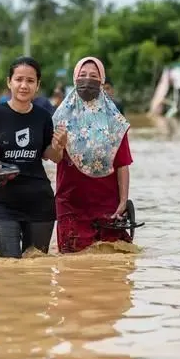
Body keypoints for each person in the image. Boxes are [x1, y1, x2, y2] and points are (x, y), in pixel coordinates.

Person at [0, 56, 67, 259]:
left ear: (37, 85)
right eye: (19, 79)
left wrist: (59, 146)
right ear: (9, 82)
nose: (24, 85)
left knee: (37, 268)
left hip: (39, 200)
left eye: (30, 81)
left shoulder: (43, 117)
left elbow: (52, 156)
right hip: (3, 201)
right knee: (8, 267)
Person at [52, 57, 133, 254]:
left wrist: (123, 201)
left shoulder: (115, 121)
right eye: (82, 75)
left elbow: (122, 164)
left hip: (108, 204)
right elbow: (52, 157)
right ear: (74, 79)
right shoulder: (59, 118)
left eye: (94, 76)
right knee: (72, 268)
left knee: (112, 270)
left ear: (102, 81)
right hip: (70, 203)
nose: (87, 80)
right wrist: (58, 145)